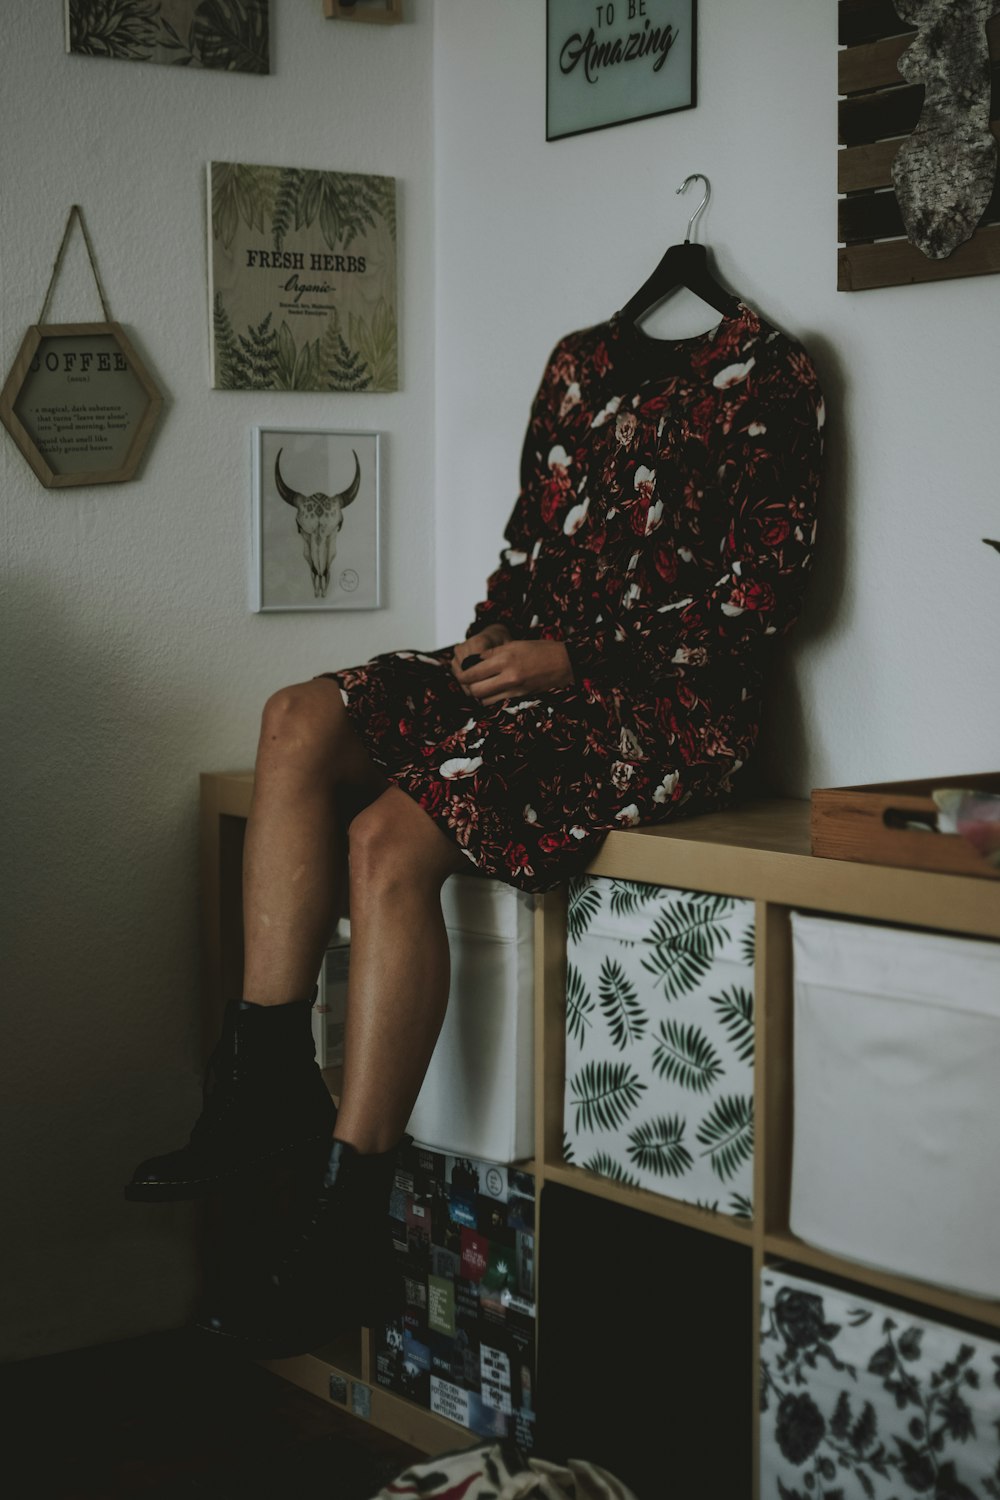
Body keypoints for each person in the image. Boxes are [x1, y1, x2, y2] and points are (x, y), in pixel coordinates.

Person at [127, 302, 824, 1357]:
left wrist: (576, 661)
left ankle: (346, 1219)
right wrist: (497, 634)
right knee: (295, 720)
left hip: (667, 710)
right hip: (535, 680)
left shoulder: (771, 376)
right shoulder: (578, 364)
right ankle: (265, 1082)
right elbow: (525, 554)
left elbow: (762, 600)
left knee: (386, 843)